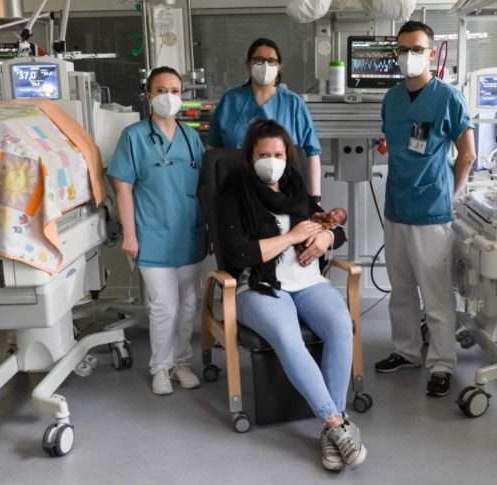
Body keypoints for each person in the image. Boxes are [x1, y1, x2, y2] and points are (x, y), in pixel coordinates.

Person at [218, 119, 367, 472]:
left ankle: (333, 429)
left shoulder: (295, 187)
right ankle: (335, 421)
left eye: (278, 154)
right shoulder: (233, 192)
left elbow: (332, 228)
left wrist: (326, 237)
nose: (271, 161)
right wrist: (291, 237)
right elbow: (239, 253)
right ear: (250, 157)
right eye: (263, 155)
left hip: (308, 281)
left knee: (340, 326)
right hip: (260, 286)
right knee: (288, 336)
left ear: (288, 157)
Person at [374, 21, 476, 398]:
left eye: (416, 49)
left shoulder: (448, 97)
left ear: (431, 53)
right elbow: (394, 143)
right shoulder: (392, 99)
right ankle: (406, 351)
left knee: (435, 294)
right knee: (401, 289)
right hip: (396, 208)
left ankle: (442, 362)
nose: (408, 56)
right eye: (402, 50)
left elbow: (467, 154)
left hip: (432, 211)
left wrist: (449, 195)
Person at [108, 66, 207, 396]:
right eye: (161, 90)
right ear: (148, 95)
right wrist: (129, 234)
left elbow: (203, 187)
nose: (169, 97)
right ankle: (160, 368)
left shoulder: (191, 137)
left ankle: (182, 363)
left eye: (175, 91)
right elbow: (122, 187)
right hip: (151, 234)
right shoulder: (134, 137)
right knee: (165, 307)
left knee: (189, 305)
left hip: (188, 234)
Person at [208, 38, 323, 204]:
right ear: (249, 64)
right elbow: (213, 153)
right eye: (258, 60)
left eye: (271, 61)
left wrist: (315, 199)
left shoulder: (293, 103)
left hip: (285, 191)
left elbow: (312, 153)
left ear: (279, 66)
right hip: (238, 192)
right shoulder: (231, 101)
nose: (265, 65)